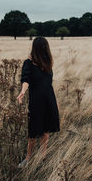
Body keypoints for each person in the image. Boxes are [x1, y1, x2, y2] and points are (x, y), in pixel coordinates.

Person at [17, 36, 60, 168]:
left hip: (49, 100)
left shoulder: (48, 63)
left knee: (46, 130)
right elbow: (26, 79)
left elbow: (47, 83)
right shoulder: (28, 63)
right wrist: (23, 91)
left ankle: (43, 156)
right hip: (36, 102)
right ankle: (28, 158)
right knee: (33, 132)